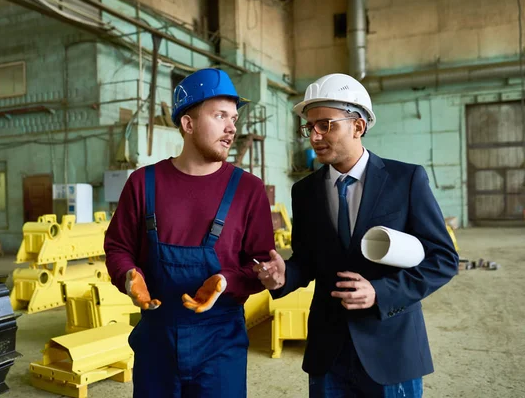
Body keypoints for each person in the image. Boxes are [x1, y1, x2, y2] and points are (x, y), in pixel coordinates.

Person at [254, 73, 458, 397]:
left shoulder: (405, 180)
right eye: (310, 127)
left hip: (390, 348)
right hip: (328, 350)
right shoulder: (305, 192)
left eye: (326, 125)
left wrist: (381, 293)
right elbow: (308, 261)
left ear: (358, 126)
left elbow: (443, 259)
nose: (315, 136)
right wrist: (283, 276)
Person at [104, 67, 275, 398]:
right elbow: (117, 247)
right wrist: (128, 276)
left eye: (234, 118)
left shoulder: (248, 190)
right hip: (156, 340)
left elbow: (260, 267)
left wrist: (226, 281)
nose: (231, 127)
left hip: (220, 345)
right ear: (188, 123)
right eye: (220, 115)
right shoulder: (143, 183)